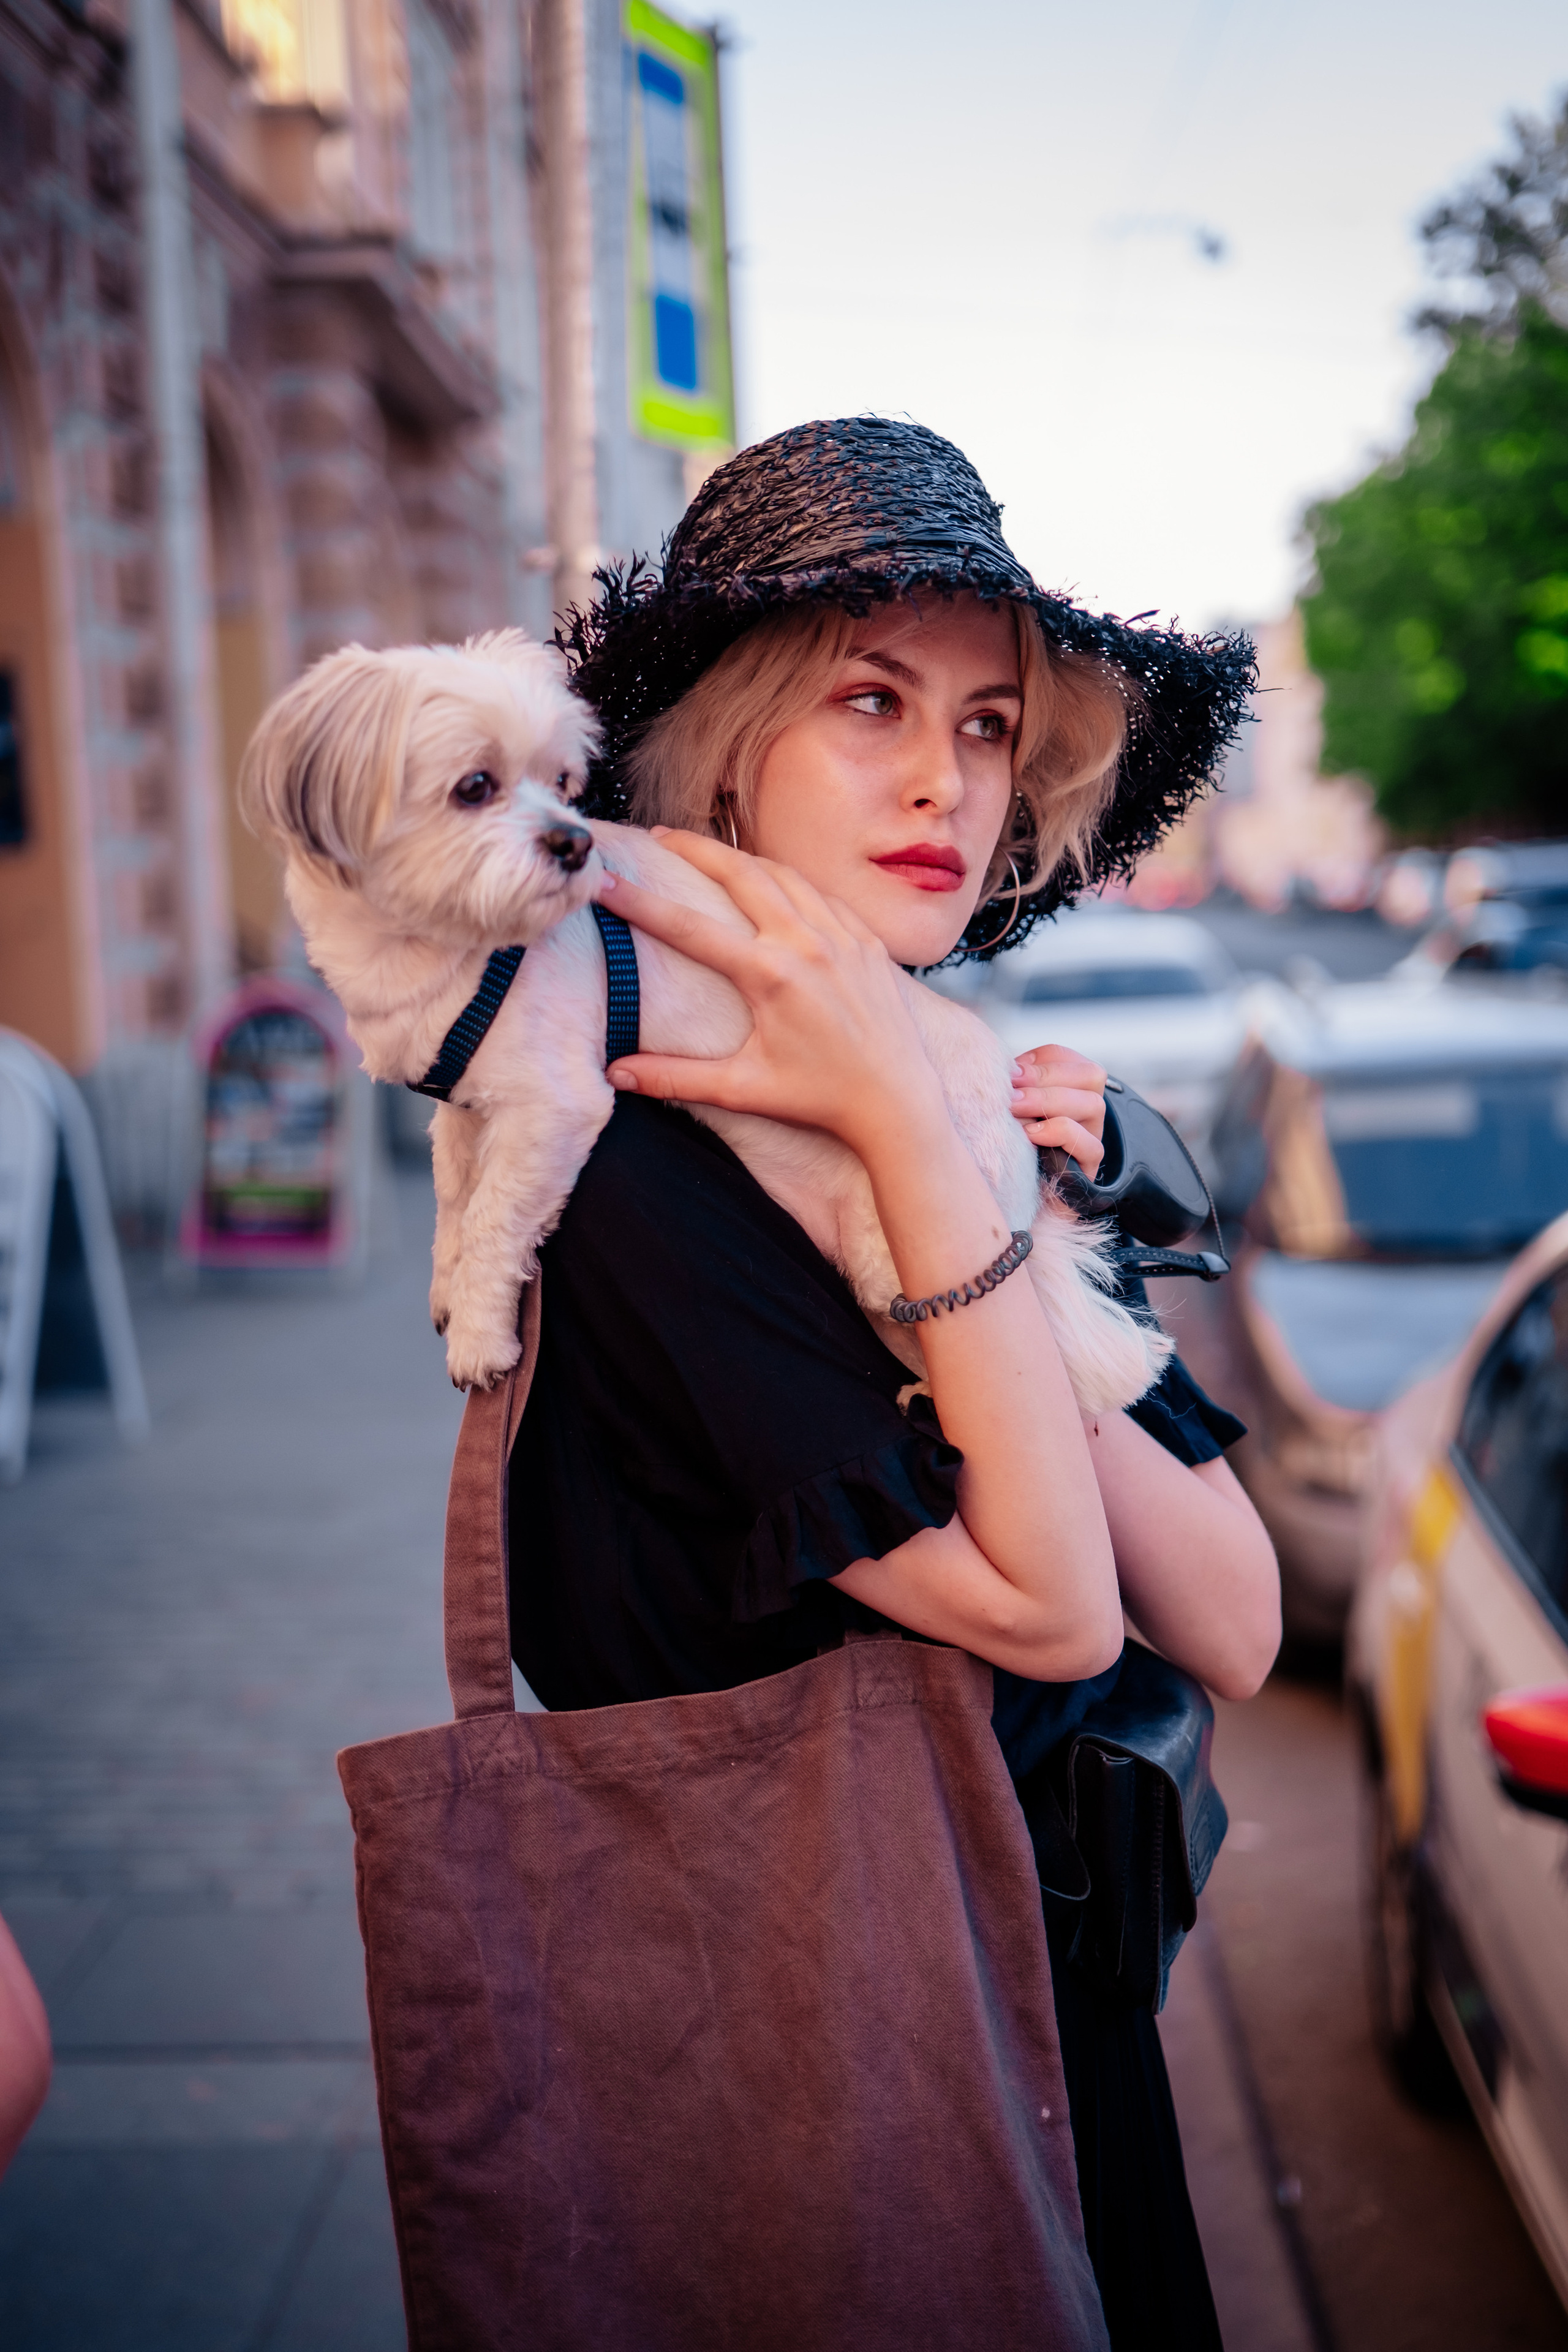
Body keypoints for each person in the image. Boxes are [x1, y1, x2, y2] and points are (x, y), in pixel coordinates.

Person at [510, 417, 1280, 2348]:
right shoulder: (642, 1169)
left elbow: (1240, 1616)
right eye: (870, 700)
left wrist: (941, 1131)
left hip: (1061, 2063)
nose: (945, 777)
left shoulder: (951, 1101)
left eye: (991, 725)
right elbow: (1056, 1605)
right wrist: (932, 1156)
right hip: (840, 2112)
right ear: (723, 754)